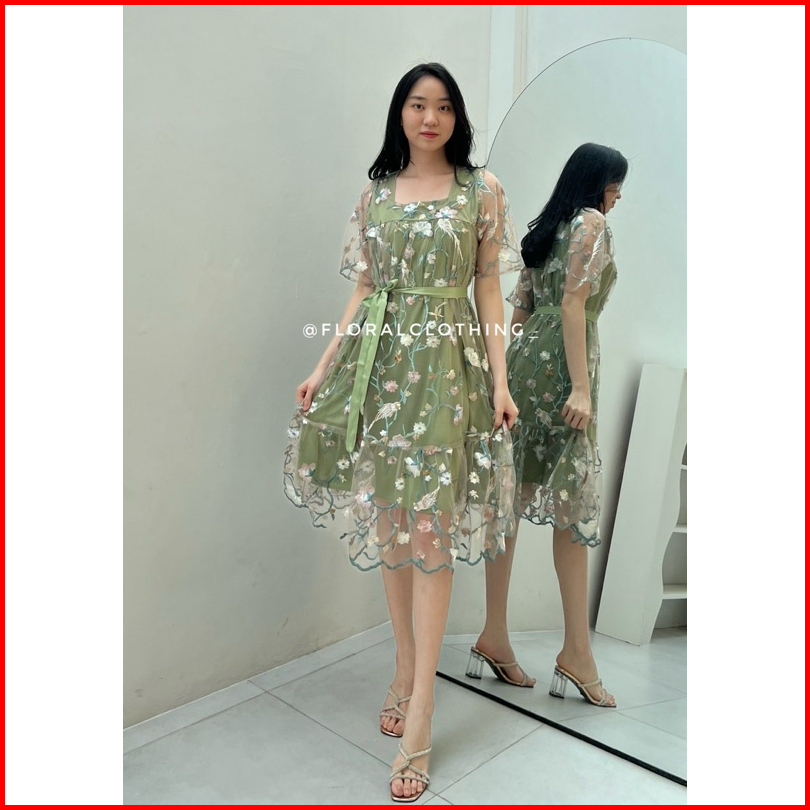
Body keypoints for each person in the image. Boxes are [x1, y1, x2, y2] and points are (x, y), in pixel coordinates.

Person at [282, 63, 522, 802]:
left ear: (457, 118)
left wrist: (501, 378)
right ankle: (404, 668)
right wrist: (323, 365)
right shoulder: (376, 196)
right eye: (418, 105)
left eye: (443, 106)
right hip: (379, 367)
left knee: (430, 532)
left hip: (446, 369)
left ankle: (421, 712)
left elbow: (488, 286)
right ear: (401, 114)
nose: (430, 117)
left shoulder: (481, 190)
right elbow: (363, 288)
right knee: (392, 525)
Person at [469, 142, 628, 709]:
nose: (619, 194)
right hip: (564, 371)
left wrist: (502, 381)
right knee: (571, 511)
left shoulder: (548, 229)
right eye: (616, 183)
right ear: (598, 182)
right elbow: (571, 305)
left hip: (526, 368)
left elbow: (521, 311)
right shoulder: (591, 224)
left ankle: (493, 634)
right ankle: (577, 653)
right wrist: (581, 388)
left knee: (509, 501)